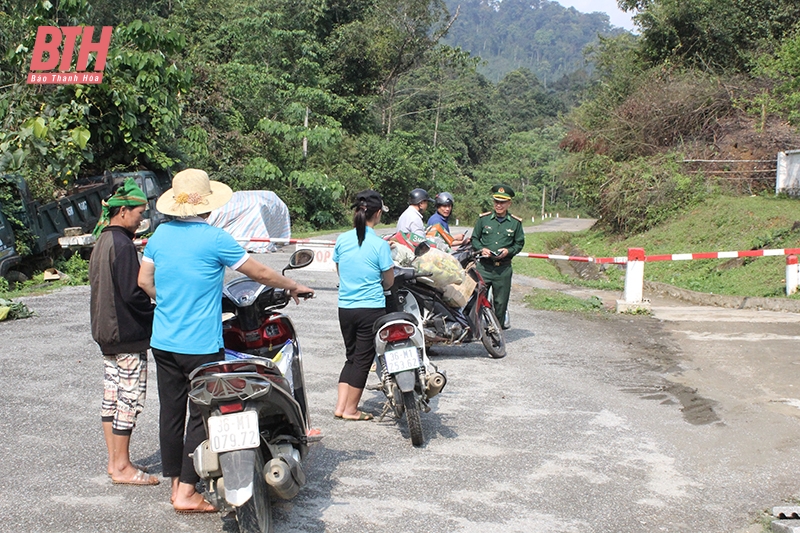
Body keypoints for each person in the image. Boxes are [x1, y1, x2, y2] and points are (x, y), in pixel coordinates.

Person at [137, 168, 314, 513]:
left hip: (164, 340)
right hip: (200, 345)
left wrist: (170, 301)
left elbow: (145, 282)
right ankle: (187, 492)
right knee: (203, 413)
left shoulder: (158, 236)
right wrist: (292, 285)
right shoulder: (215, 238)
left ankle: (176, 484)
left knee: (170, 413)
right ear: (208, 205)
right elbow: (257, 272)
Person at [89, 178, 159, 486]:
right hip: (127, 334)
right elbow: (133, 294)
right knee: (129, 398)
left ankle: (113, 463)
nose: (141, 218)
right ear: (122, 212)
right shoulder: (122, 244)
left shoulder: (103, 240)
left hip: (105, 332)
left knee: (112, 395)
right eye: (139, 212)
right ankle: (123, 466)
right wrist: (156, 312)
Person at [333, 190, 394, 421]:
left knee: (351, 356)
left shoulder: (342, 239)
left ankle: (341, 406)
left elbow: (339, 270)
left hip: (345, 308)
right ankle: (351, 409)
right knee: (363, 359)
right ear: (377, 213)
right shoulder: (379, 245)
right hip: (370, 309)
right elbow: (389, 280)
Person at [471, 184, 525, 329]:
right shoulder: (484, 220)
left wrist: (508, 251)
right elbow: (474, 238)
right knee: (476, 299)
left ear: (509, 203)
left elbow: (519, 243)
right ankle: (475, 329)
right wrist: (482, 249)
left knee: (500, 303)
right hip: (484, 267)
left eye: (502, 202)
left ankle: (496, 331)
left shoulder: (515, 223)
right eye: (496, 201)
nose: (499, 205)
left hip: (503, 270)